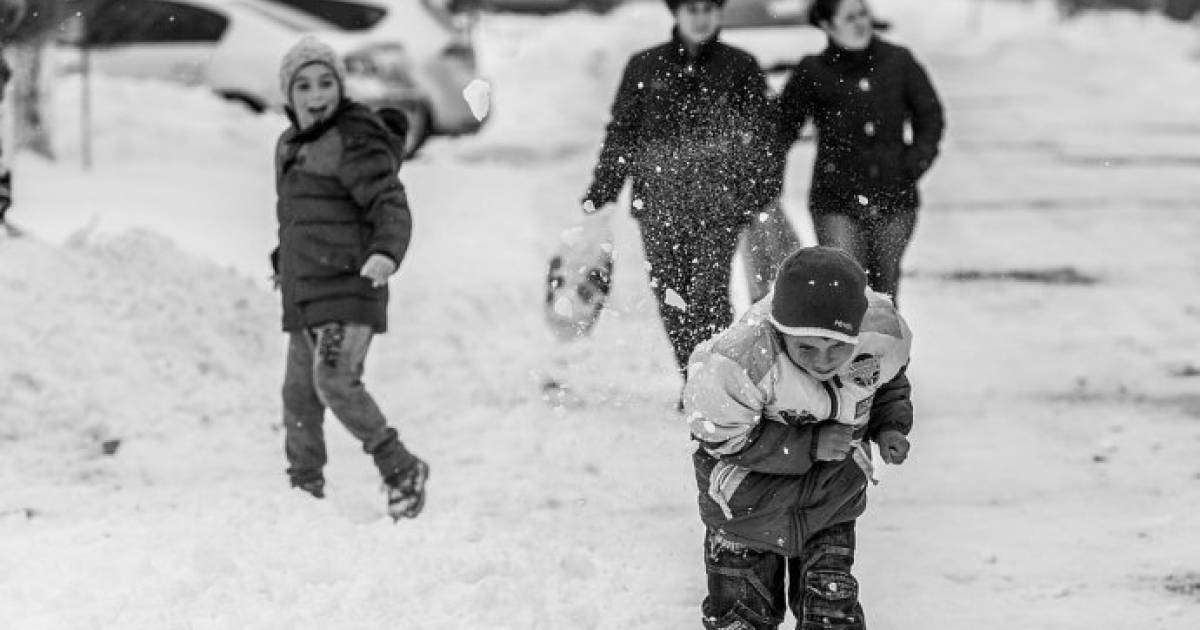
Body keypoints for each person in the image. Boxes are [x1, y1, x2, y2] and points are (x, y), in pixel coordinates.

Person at [683, 246, 914, 629]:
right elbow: (719, 437)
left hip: (831, 502)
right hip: (746, 511)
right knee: (741, 619)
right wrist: (809, 445)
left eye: (837, 347)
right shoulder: (742, 362)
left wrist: (890, 425)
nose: (823, 361)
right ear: (780, 331)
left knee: (831, 617)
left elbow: (887, 383)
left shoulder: (877, 339)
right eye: (806, 348)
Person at [581, 0, 780, 385]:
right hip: (659, 204)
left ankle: (713, 381)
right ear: (675, 12)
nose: (701, 17)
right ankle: (692, 375)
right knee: (672, 296)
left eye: (708, 7)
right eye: (692, 8)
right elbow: (623, 133)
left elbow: (762, 138)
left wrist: (755, 191)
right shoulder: (644, 65)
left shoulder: (740, 67)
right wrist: (602, 190)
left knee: (708, 294)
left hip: (718, 205)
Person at [270, 36, 428, 520]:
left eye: (325, 83)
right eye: (303, 86)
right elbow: (302, 215)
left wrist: (386, 251)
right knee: (299, 395)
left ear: (340, 87)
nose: (316, 95)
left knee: (334, 380)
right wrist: (285, 258)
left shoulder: (353, 138)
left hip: (352, 283)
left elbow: (389, 202)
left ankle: (400, 468)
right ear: (288, 95)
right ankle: (304, 490)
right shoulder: (291, 144)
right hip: (307, 290)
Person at [775, 0, 944, 307]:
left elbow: (930, 116)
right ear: (827, 25)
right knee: (848, 290)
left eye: (863, 14)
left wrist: (913, 163)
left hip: (895, 200)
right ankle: (846, 354)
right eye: (849, 17)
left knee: (884, 294)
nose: (860, 22)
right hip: (836, 203)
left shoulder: (898, 61)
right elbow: (782, 129)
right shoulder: (812, 71)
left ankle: (883, 355)